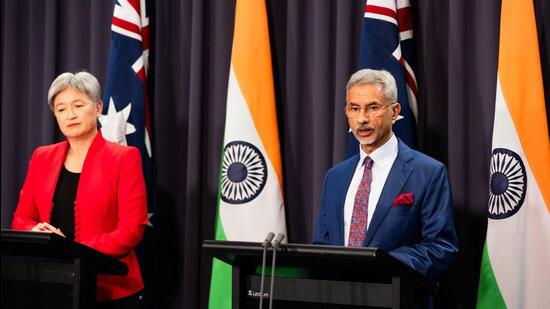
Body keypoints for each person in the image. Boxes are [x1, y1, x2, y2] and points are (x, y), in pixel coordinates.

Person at [11, 71, 148, 308]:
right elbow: (21, 218)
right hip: (51, 282)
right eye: (61, 108)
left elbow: (132, 229)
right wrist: (36, 231)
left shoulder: (124, 158)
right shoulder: (42, 157)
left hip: (110, 288)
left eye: (78, 105)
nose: (70, 115)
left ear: (97, 108)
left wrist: (72, 250)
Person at [313, 69, 458, 280]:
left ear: (394, 111)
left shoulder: (429, 173)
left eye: (373, 107)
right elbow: (322, 244)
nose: (362, 119)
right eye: (354, 108)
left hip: (397, 295)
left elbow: (441, 247)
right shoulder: (335, 177)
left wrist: (380, 266)